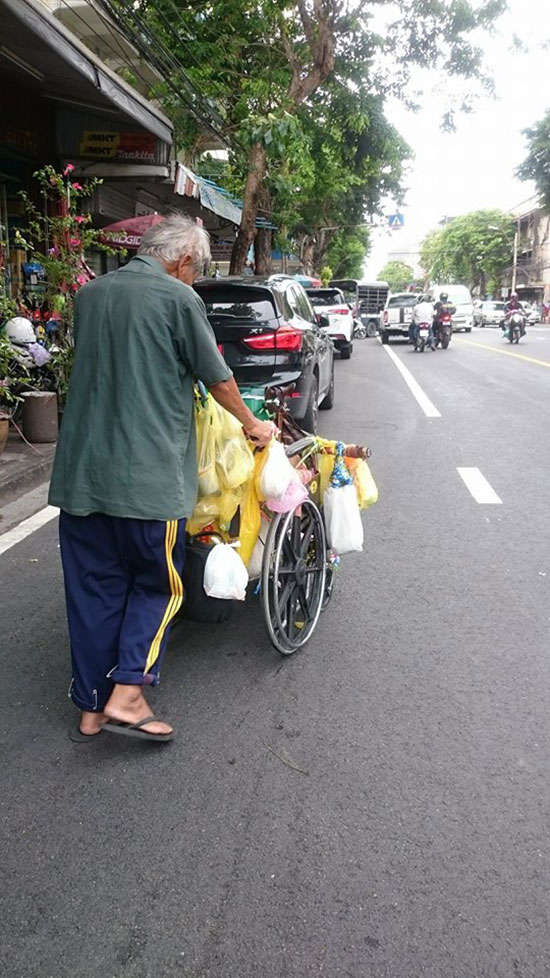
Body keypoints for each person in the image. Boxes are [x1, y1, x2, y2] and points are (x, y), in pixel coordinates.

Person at [49, 214, 274, 744]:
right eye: (195, 271)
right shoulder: (177, 298)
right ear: (183, 261)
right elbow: (216, 377)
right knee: (159, 588)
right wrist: (253, 424)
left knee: (94, 594)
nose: (194, 278)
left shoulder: (92, 295)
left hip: (81, 478)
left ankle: (91, 708)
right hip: (146, 481)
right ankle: (128, 694)